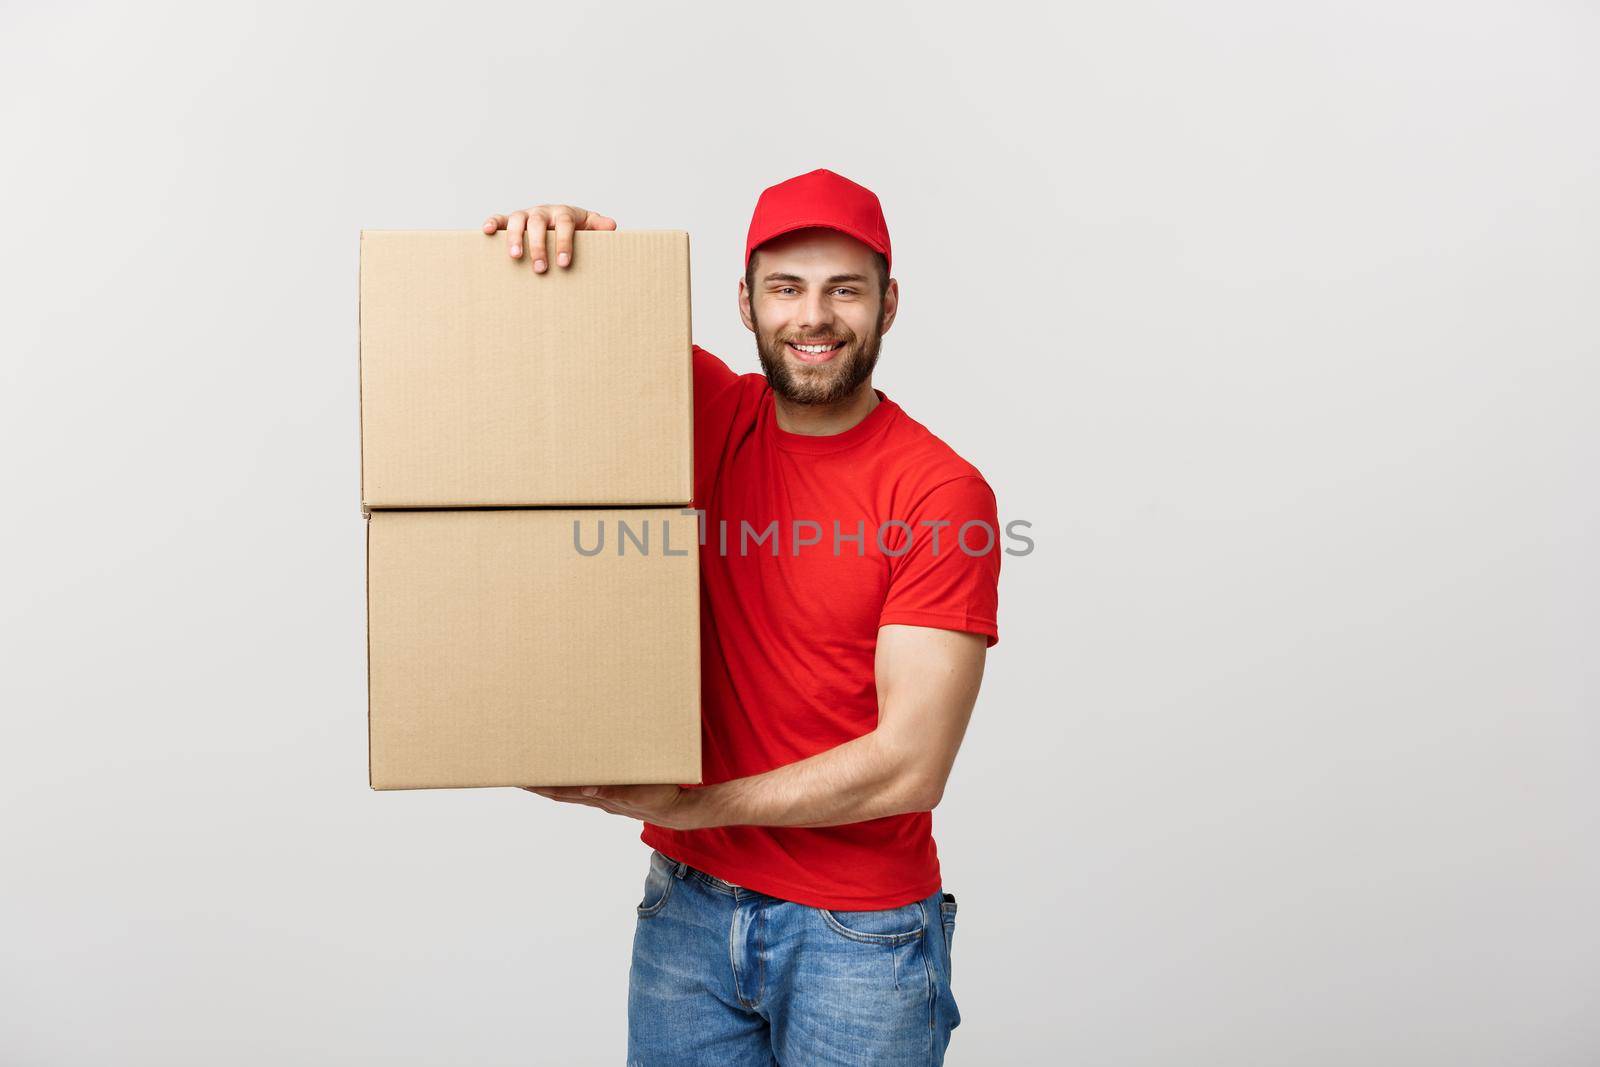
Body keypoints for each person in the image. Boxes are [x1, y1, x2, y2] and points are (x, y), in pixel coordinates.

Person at [485, 168, 1000, 1066]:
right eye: (786, 288)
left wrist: (691, 804)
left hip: (860, 937)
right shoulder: (704, 413)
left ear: (888, 305)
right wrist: (551, 240)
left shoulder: (939, 492)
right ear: (745, 303)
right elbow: (544, 334)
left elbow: (911, 765)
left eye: (845, 289)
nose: (814, 317)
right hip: (687, 908)